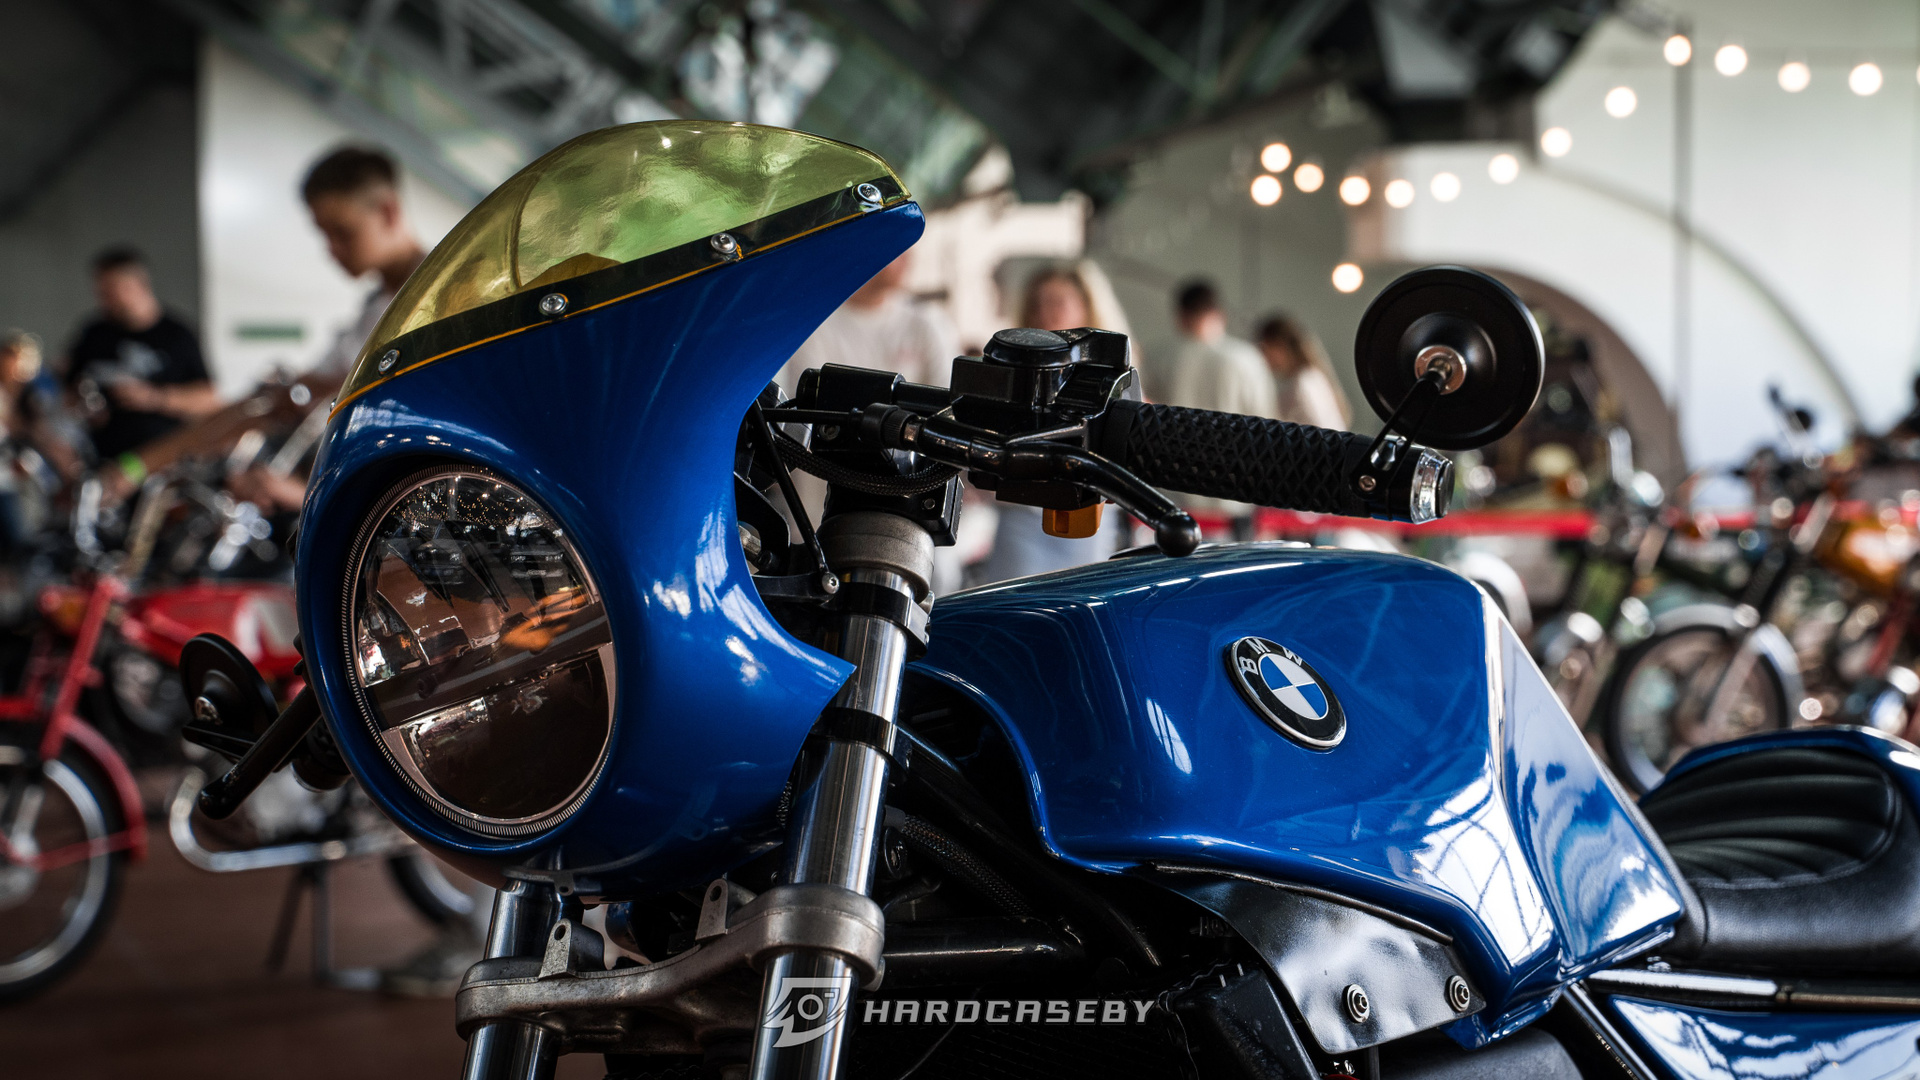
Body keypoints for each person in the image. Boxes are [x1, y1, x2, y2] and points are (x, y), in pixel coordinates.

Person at [226, 146, 430, 513]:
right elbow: (307, 388)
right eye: (324, 235)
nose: (331, 250)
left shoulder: (442, 299)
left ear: (387, 212)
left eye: (342, 233)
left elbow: (422, 442)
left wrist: (301, 495)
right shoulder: (374, 308)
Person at [974, 263, 1133, 582]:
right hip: (1021, 515)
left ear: (1085, 307)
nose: (1045, 314)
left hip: (1088, 520)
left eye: (1057, 303)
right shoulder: (1010, 371)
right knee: (1012, 603)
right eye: (1037, 304)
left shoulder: (1114, 376)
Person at [66, 248, 219, 470]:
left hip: (161, 462)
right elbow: (68, 388)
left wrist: (154, 397)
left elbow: (210, 399)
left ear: (137, 286)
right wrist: (83, 406)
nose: (104, 300)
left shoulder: (176, 335)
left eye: (111, 292)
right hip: (103, 461)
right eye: (100, 292)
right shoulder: (94, 333)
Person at [1166, 280, 1275, 537]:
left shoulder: (1162, 358)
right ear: (1219, 313)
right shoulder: (1248, 359)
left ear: (1181, 316)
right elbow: (1267, 425)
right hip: (1235, 496)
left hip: (1177, 499)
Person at [777, 249, 958, 392]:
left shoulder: (928, 322)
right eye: (893, 244)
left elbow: (945, 399)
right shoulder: (814, 329)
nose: (907, 255)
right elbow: (806, 405)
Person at [1256, 312, 1351, 431]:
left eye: (1265, 348)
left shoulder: (1303, 384)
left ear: (1279, 346)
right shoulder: (1311, 377)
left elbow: (1320, 431)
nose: (1263, 356)